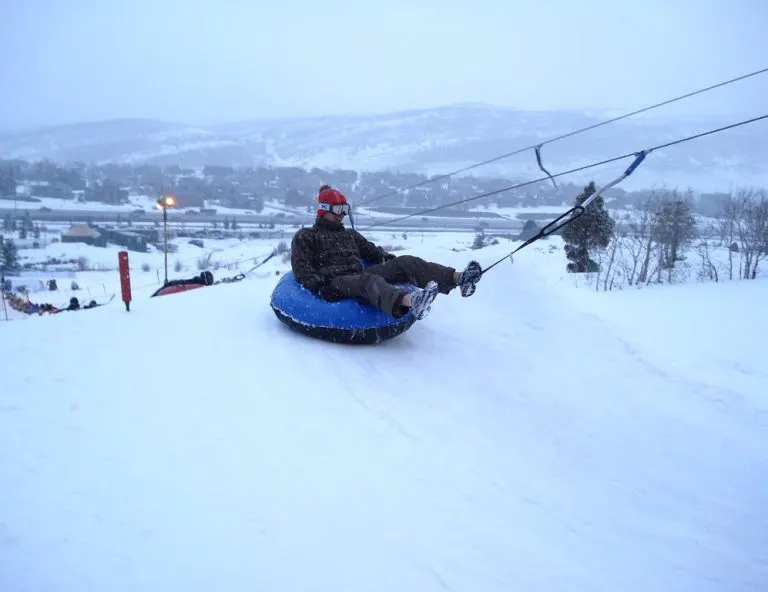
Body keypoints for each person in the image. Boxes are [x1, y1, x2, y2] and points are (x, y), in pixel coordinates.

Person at [290, 185, 483, 320]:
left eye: (345, 209)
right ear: (324, 210)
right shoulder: (307, 236)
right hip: (335, 281)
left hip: (359, 275)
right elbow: (302, 269)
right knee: (368, 282)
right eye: (338, 209)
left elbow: (373, 252)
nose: (342, 214)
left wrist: (390, 262)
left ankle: (459, 278)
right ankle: (411, 302)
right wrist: (321, 288)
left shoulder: (350, 235)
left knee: (406, 261)